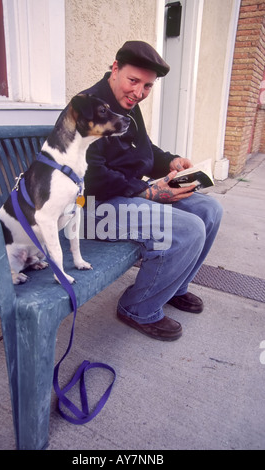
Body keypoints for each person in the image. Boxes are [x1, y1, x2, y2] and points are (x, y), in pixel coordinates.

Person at [81, 40, 223, 341]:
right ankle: (138, 308)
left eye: (147, 86)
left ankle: (173, 288)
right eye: (134, 81)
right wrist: (147, 193)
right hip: (92, 209)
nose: (139, 92)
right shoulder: (88, 108)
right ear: (115, 69)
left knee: (209, 210)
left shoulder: (127, 106)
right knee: (187, 230)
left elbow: (143, 151)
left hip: (126, 197)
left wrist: (170, 161)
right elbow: (90, 176)